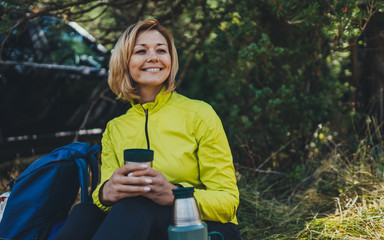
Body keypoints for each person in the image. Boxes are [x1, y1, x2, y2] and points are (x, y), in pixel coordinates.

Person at [53, 18, 241, 240]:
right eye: (141, 51)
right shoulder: (116, 128)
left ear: (170, 60)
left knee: (137, 205)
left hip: (200, 227)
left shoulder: (199, 114)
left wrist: (175, 194)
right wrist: (107, 193)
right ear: (125, 62)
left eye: (161, 50)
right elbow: (102, 203)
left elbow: (228, 202)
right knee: (85, 211)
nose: (153, 57)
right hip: (137, 222)